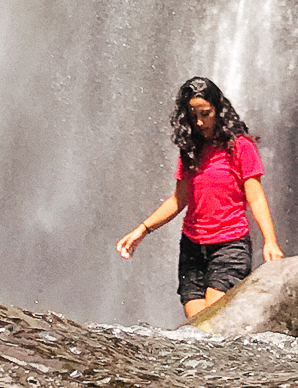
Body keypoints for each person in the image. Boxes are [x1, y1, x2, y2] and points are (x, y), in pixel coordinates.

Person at [116, 76, 283, 319]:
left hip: (230, 245)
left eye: (205, 113)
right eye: (193, 115)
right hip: (192, 248)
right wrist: (142, 230)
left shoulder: (240, 146)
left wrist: (270, 241)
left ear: (218, 109)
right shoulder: (190, 149)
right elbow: (178, 200)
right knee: (197, 329)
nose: (199, 121)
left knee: (212, 325)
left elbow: (255, 197)